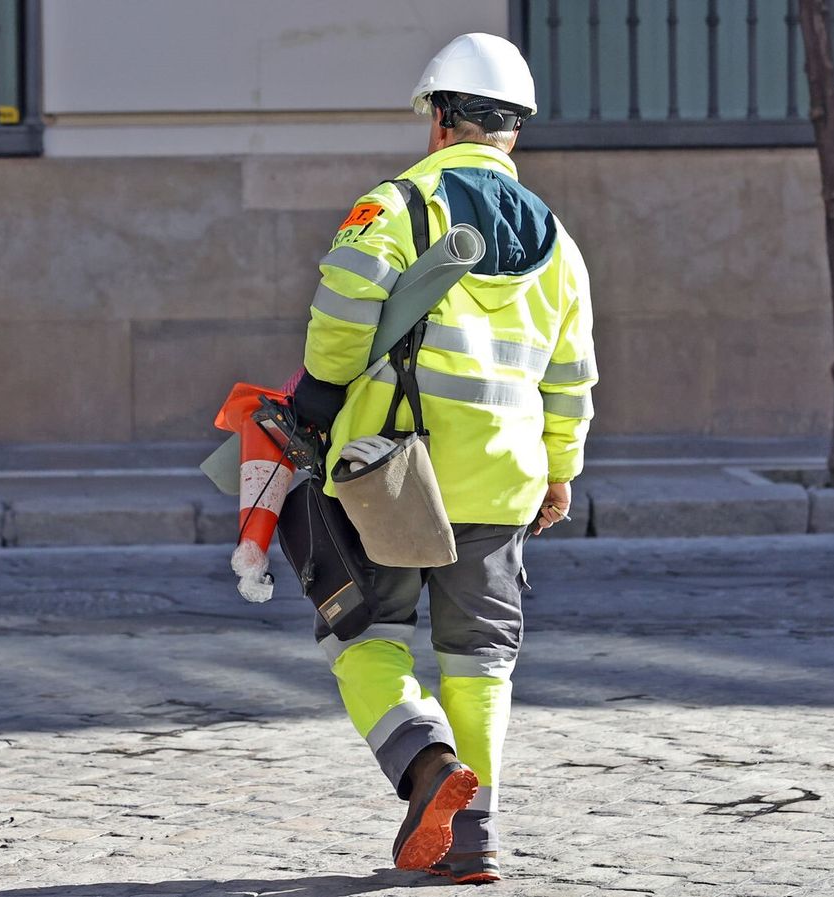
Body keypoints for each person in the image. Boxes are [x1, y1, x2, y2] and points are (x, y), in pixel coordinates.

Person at [290, 33, 597, 885]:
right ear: (513, 132)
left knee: (362, 632)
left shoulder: (392, 207)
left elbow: (342, 320)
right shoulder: (560, 245)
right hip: (506, 478)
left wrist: (318, 392)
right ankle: (476, 839)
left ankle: (426, 765)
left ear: (437, 119)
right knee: (481, 659)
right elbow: (571, 376)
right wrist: (560, 469)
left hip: (391, 472)